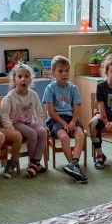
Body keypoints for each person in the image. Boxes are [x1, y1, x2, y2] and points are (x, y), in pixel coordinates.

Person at [42, 55, 88, 183]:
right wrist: (64, 123)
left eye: (67, 70)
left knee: (81, 135)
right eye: (60, 71)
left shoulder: (73, 88)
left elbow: (77, 109)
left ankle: (74, 164)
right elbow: (50, 111)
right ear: (53, 73)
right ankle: (73, 166)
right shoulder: (50, 88)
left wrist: (73, 122)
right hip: (55, 119)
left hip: (70, 118)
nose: (64, 74)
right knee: (63, 137)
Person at [0, 64, 47, 178]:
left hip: (29, 121)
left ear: (30, 79)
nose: (23, 79)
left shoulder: (33, 94)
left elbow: (39, 112)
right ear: (14, 80)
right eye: (19, 76)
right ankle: (33, 163)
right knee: (32, 134)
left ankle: (34, 162)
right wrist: (11, 130)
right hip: (15, 123)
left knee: (43, 132)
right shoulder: (10, 96)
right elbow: (4, 115)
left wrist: (40, 125)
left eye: (26, 76)